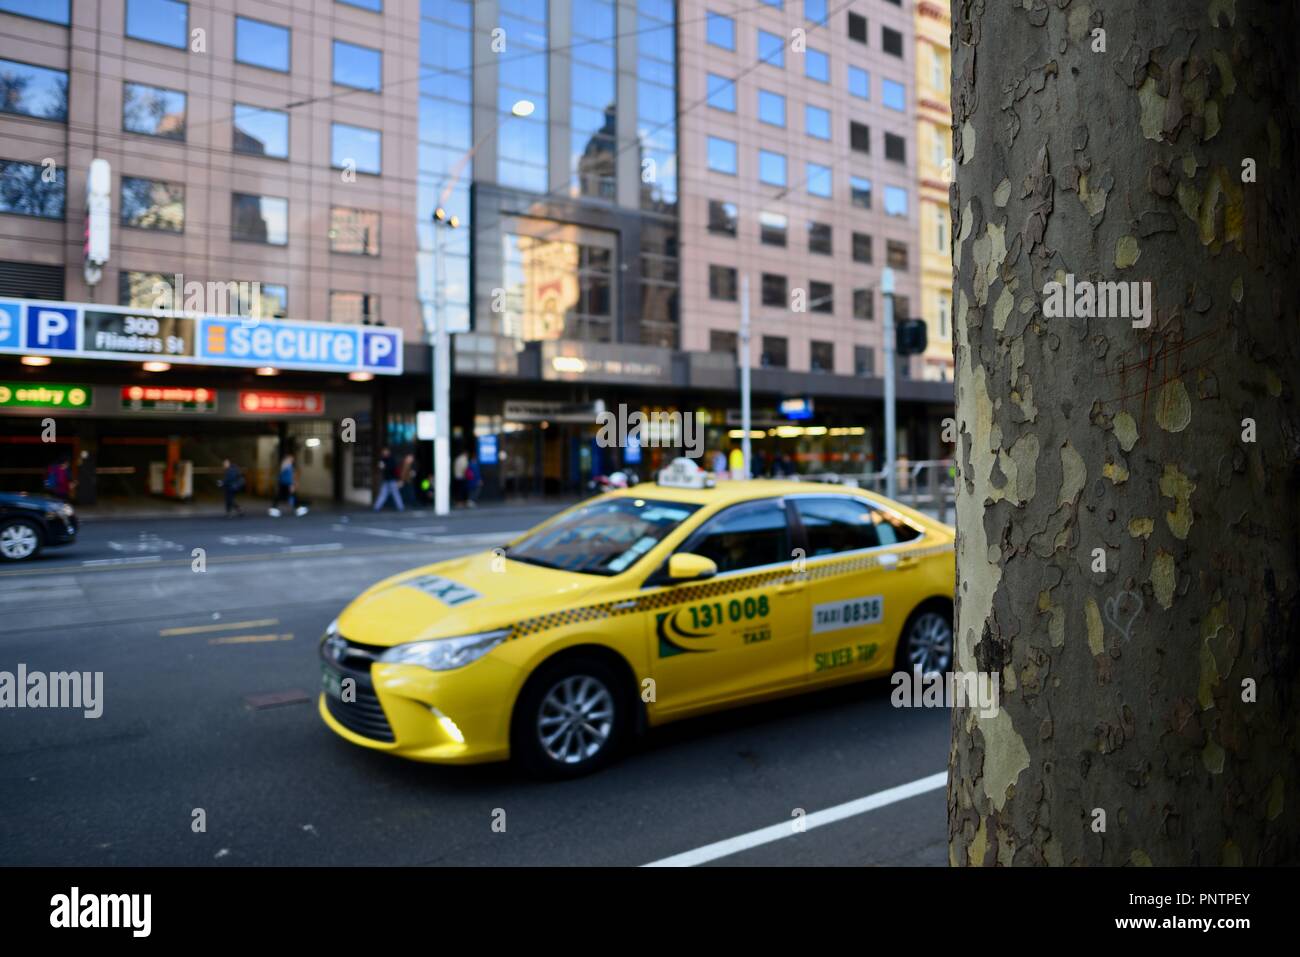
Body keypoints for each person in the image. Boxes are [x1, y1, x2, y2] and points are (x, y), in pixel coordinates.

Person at [270, 453, 307, 517]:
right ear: (287, 458)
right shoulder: (286, 465)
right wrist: (291, 484)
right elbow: (286, 476)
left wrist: (294, 482)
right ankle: (298, 509)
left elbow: (288, 475)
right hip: (286, 483)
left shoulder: (288, 465)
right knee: (290, 495)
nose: (292, 459)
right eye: (291, 458)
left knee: (284, 495)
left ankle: (274, 508)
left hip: (284, 483)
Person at [373, 446, 403, 512]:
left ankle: (400, 507)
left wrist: (398, 479)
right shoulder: (383, 459)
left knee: (395, 494)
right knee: (383, 494)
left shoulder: (391, 459)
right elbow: (381, 468)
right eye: (384, 451)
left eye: (386, 451)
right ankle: (376, 507)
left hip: (392, 479)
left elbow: (393, 468)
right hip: (386, 479)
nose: (385, 453)